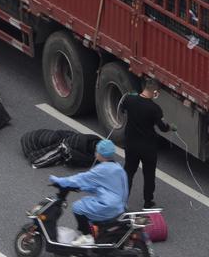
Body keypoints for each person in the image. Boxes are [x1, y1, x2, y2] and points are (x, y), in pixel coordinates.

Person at [49, 139, 128, 246]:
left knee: (78, 207)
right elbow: (101, 185)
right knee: (88, 203)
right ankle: (95, 233)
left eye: (97, 151)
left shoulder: (102, 169)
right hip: (120, 205)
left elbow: (81, 178)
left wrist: (60, 181)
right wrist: (83, 188)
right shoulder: (117, 168)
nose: (95, 152)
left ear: (101, 153)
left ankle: (87, 236)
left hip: (109, 206)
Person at [121, 78, 176, 209]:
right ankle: (148, 201)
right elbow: (162, 127)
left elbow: (122, 108)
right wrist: (170, 127)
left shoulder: (130, 100)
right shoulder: (155, 108)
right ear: (155, 92)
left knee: (128, 172)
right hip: (148, 147)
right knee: (149, 175)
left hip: (131, 144)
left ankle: (122, 200)